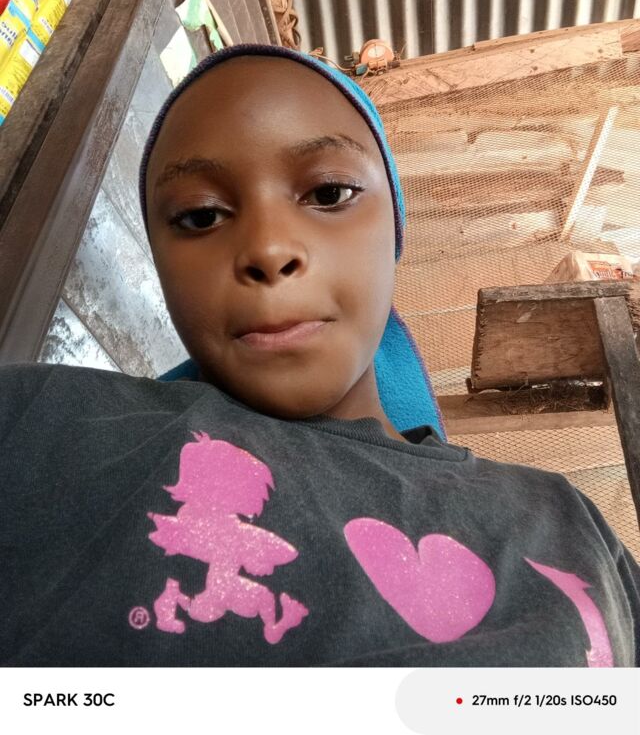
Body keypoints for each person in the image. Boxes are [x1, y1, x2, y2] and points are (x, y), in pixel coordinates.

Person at [1, 44, 638, 668]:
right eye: (200, 216)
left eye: (329, 193)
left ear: (393, 230)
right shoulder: (41, 428)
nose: (269, 247)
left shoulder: (570, 529)